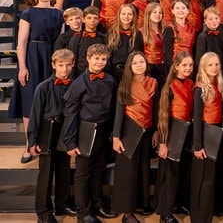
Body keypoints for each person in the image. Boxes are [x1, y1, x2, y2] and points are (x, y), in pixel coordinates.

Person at [8, 0, 64, 164]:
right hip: (32, 58)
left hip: (52, 58)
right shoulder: (28, 13)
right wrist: (22, 67)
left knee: (50, 102)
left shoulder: (59, 14)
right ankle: (29, 145)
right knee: (30, 102)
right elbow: (21, 42)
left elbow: (61, 41)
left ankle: (48, 142)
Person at [61, 44, 118, 222]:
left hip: (103, 131)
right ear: (88, 58)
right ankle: (83, 212)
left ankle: (98, 204)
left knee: (99, 170)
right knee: (82, 174)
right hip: (85, 131)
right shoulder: (78, 83)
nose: (100, 62)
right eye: (96, 58)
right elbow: (70, 114)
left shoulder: (110, 80)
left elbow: (113, 108)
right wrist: (70, 142)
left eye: (103, 59)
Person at [28, 49, 76, 223]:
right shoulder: (43, 87)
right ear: (53, 65)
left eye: (68, 65)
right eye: (61, 65)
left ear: (73, 65)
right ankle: (43, 211)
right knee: (46, 173)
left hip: (66, 129)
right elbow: (35, 115)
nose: (64, 69)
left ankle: (62, 204)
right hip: (48, 130)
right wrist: (32, 140)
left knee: (64, 169)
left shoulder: (75, 84)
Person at [111, 51, 158, 223]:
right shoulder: (124, 84)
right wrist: (116, 137)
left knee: (142, 169)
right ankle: (127, 213)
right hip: (129, 131)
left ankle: (139, 203)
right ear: (130, 66)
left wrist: (156, 131)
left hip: (147, 131)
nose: (139, 65)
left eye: (142, 62)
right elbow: (119, 113)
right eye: (135, 63)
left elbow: (157, 108)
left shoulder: (154, 83)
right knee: (128, 172)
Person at [154, 51, 194, 223]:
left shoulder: (192, 84)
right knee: (169, 175)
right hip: (172, 132)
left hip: (188, 132)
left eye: (190, 65)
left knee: (184, 172)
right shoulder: (169, 86)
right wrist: (163, 142)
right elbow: (163, 116)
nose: (187, 68)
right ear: (176, 66)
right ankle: (165, 212)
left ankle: (179, 203)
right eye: (184, 65)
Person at [190, 52, 223, 223]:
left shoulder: (218, 84)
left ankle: (210, 211)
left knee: (212, 177)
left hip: (216, 133)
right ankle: (200, 217)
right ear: (204, 67)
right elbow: (196, 118)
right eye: (210, 65)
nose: (214, 68)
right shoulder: (199, 88)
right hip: (204, 134)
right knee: (203, 179)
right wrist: (197, 146)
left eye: (216, 64)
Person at [67, 6, 106, 78]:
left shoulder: (104, 38)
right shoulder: (76, 38)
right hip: (80, 75)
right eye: (89, 18)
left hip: (100, 75)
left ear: (99, 20)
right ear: (83, 19)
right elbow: (72, 60)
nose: (92, 20)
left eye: (95, 18)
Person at [106, 4, 138, 82]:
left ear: (134, 16)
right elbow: (108, 55)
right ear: (119, 15)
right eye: (123, 14)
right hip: (114, 72)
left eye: (129, 14)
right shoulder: (110, 33)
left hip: (132, 71)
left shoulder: (138, 34)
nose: (126, 17)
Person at [162, 0, 195, 74]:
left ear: (188, 10)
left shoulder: (192, 28)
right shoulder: (169, 29)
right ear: (172, 11)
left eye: (183, 8)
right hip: (175, 67)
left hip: (188, 66)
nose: (180, 10)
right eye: (177, 8)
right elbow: (166, 54)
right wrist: (171, 71)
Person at [134, 2, 164, 81]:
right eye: (155, 12)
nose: (158, 14)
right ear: (148, 14)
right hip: (149, 68)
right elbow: (138, 53)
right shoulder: (141, 32)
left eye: (160, 12)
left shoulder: (165, 30)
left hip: (163, 67)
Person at [194, 7, 223, 75]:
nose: (214, 21)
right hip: (207, 71)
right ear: (205, 21)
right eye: (210, 19)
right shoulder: (202, 37)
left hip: (219, 70)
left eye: (216, 18)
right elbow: (199, 59)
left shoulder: (221, 36)